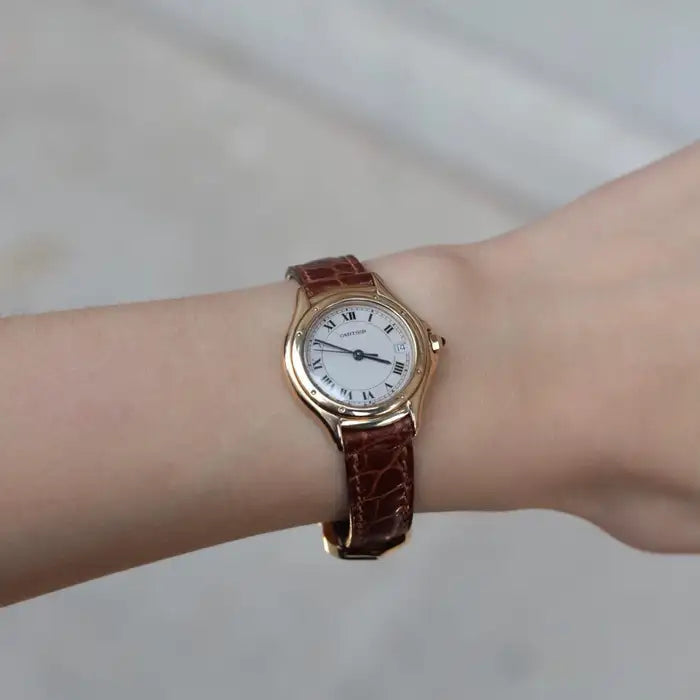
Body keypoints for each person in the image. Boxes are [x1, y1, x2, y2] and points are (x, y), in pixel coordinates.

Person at [2, 143, 699, 606]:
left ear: (426, 349)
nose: (365, 357)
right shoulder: (326, 356)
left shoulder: (401, 354)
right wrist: (494, 336)